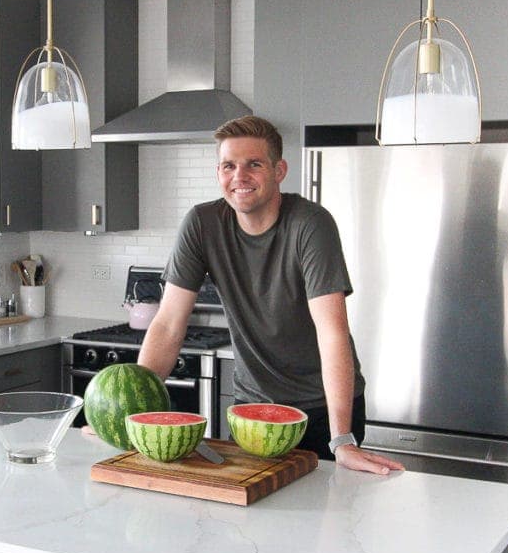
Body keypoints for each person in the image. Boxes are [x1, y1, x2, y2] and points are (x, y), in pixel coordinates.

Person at [138, 116, 404, 476]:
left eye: (254, 164)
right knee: (256, 514)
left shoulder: (310, 225)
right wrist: (133, 413)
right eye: (229, 166)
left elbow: (332, 333)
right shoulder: (202, 224)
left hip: (323, 409)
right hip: (252, 407)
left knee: (326, 523)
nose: (239, 177)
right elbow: (168, 325)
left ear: (279, 170)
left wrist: (342, 439)